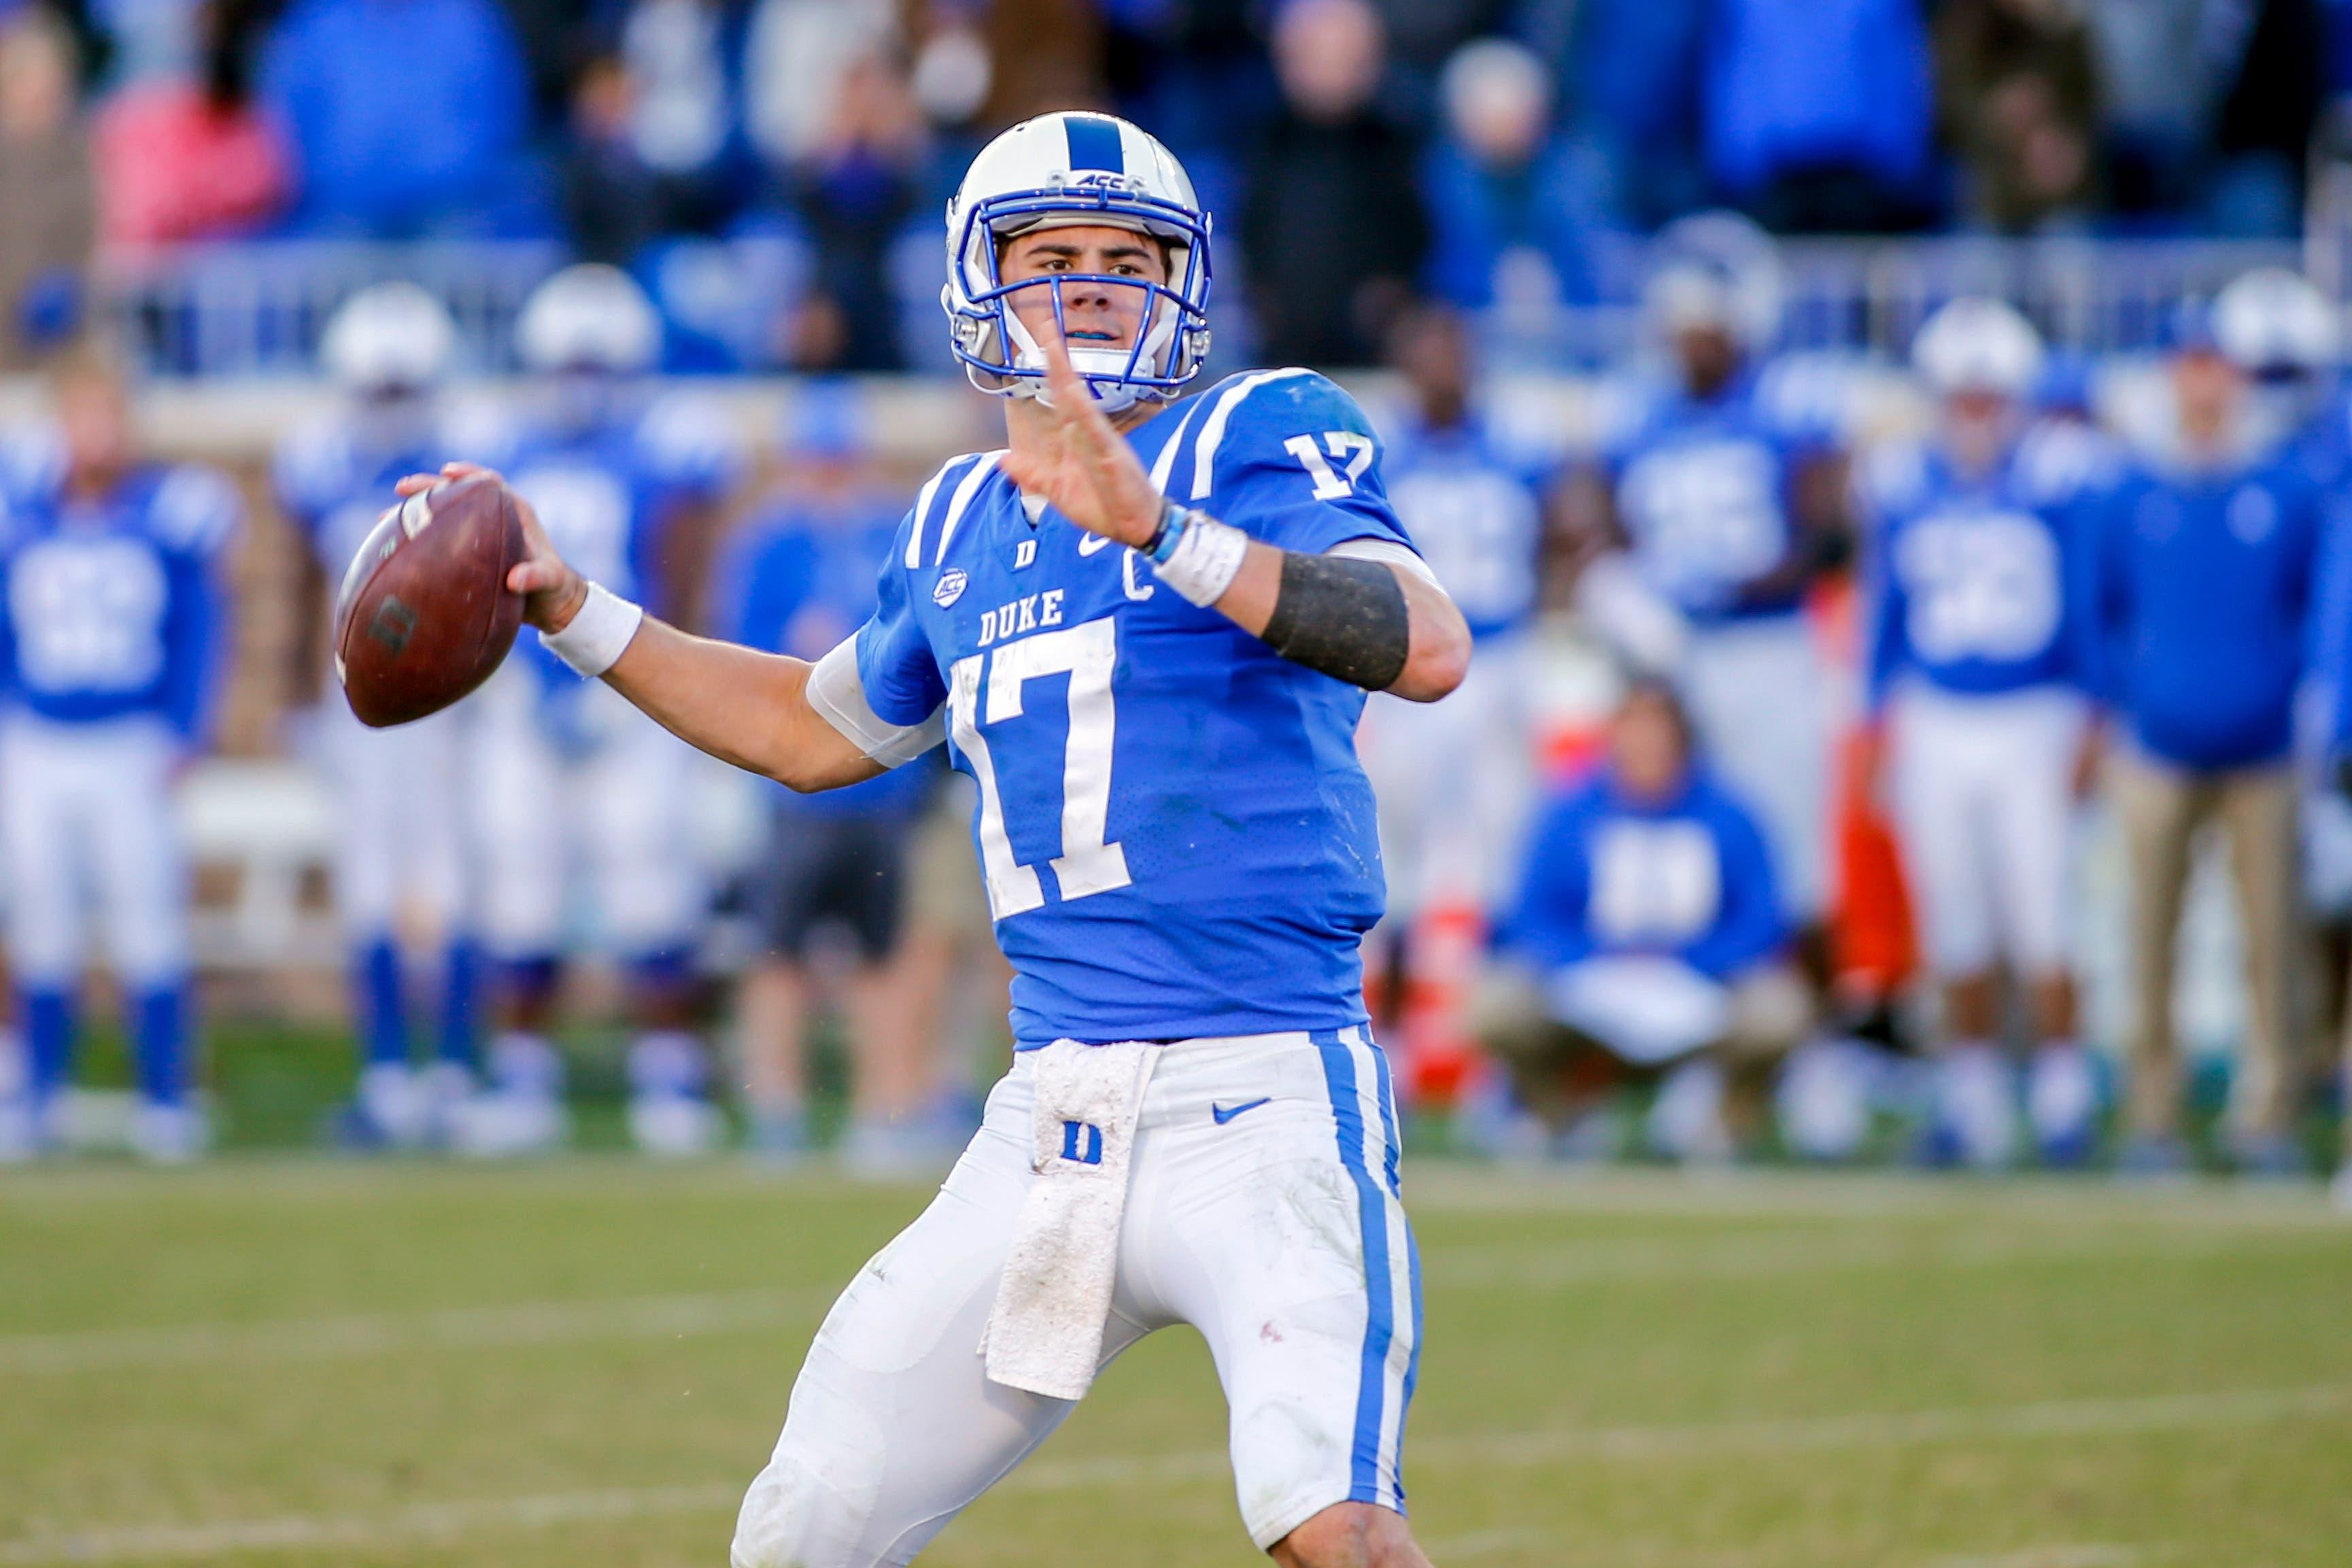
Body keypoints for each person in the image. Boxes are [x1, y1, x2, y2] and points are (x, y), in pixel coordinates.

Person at [403, 110, 1470, 1568]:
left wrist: (1165, 530)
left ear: (1183, 286)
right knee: (807, 1521)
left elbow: (1425, 644)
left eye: (1123, 258)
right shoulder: (961, 514)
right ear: (978, 288)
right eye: (1051, 258)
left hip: (1261, 1101)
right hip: (1050, 1128)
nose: (1090, 285)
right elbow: (809, 728)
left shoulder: (1252, 431)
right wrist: (569, 606)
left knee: (1326, 1520)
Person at [468, 264, 741, 1156]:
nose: (579, 381)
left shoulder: (671, 440)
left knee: (650, 878)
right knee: (521, 884)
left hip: (632, 686)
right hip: (526, 685)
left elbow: (689, 566)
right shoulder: (498, 440)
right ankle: (522, 1079)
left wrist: (678, 671)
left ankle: (667, 1074)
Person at [1860, 298, 2104, 1169]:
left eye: (1987, 396)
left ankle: (2065, 1098)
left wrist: (2093, 715)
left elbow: (2087, 607)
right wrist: (1875, 718)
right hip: (1935, 713)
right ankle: (1975, 1105)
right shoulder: (1902, 479)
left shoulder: (2059, 474)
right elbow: (1884, 612)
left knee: (2045, 919)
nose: (1972, 414)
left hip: (2036, 710)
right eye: (1959, 397)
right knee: (1955, 918)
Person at [2093, 299, 2322, 1176]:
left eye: (2219, 364)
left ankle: (2268, 1114)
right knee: (2149, 935)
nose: (2205, 383)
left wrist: (2295, 695)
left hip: (2262, 745)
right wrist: (2125, 699)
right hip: (2157, 743)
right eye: (2191, 363)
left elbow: (2314, 605)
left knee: (2274, 938)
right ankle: (2152, 1113)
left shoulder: (2284, 486)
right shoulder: (2135, 489)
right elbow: (2101, 609)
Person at [1578, 213, 1847, 942]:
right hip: (1677, 653)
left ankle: (1814, 1024)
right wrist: (1631, 594)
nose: (1689, 340)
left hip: (1768, 649)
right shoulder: (1635, 411)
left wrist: (1721, 587)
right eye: (1680, 324)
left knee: (1792, 843)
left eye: (1705, 325)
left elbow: (1830, 537)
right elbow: (1602, 532)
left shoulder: (1789, 402)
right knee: (1692, 841)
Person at [0, 347, 239, 1161]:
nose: (95, 435)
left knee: (149, 921)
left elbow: (202, 626)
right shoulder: (24, 513)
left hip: (130, 738)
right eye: (81, 418)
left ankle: (165, 1096)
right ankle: (40, 1095)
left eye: (108, 417)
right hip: (39, 738)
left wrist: (187, 726)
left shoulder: (168, 512)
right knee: (42, 923)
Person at [273, 284, 484, 1148]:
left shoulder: (472, 464)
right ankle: (389, 1072)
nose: (390, 407)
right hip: (358, 701)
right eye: (378, 389)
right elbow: (300, 587)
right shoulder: (317, 461)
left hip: (455, 699)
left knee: (455, 883)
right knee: (369, 883)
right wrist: (295, 696)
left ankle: (459, 1073)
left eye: (403, 389)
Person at [717, 390, 947, 1170]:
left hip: (883, 785)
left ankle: (882, 1111)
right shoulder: (770, 543)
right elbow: (735, 654)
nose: (828, 474)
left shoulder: (890, 533)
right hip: (797, 789)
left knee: (884, 954)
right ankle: (775, 1109)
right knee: (778, 952)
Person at [1480, 681, 1809, 1163]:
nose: (1646, 745)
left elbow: (1763, 917)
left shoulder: (1729, 813)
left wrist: (1692, 963)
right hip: (1592, 985)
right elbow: (1530, 914)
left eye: (1657, 731)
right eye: (1634, 730)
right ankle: (1556, 1116)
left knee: (1778, 1010)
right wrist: (1592, 964)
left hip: (1700, 986)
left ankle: (1723, 1123)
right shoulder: (1568, 811)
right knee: (1496, 1005)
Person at [1357, 304, 1544, 1099]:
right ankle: (1394, 1042)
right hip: (1406, 672)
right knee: (1394, 862)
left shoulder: (1520, 448)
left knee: (1501, 855)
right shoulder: (1375, 455)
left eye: (1452, 351)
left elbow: (1561, 541)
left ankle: (1500, 1050)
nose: (1442, 368)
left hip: (1499, 660)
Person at [1241, 0, 1429, 369]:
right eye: (1316, 55)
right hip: (1280, 352)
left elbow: (1413, 244)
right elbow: (1251, 240)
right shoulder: (1264, 144)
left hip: (1377, 358)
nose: (1331, 70)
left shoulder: (1397, 145)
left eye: (1344, 55)